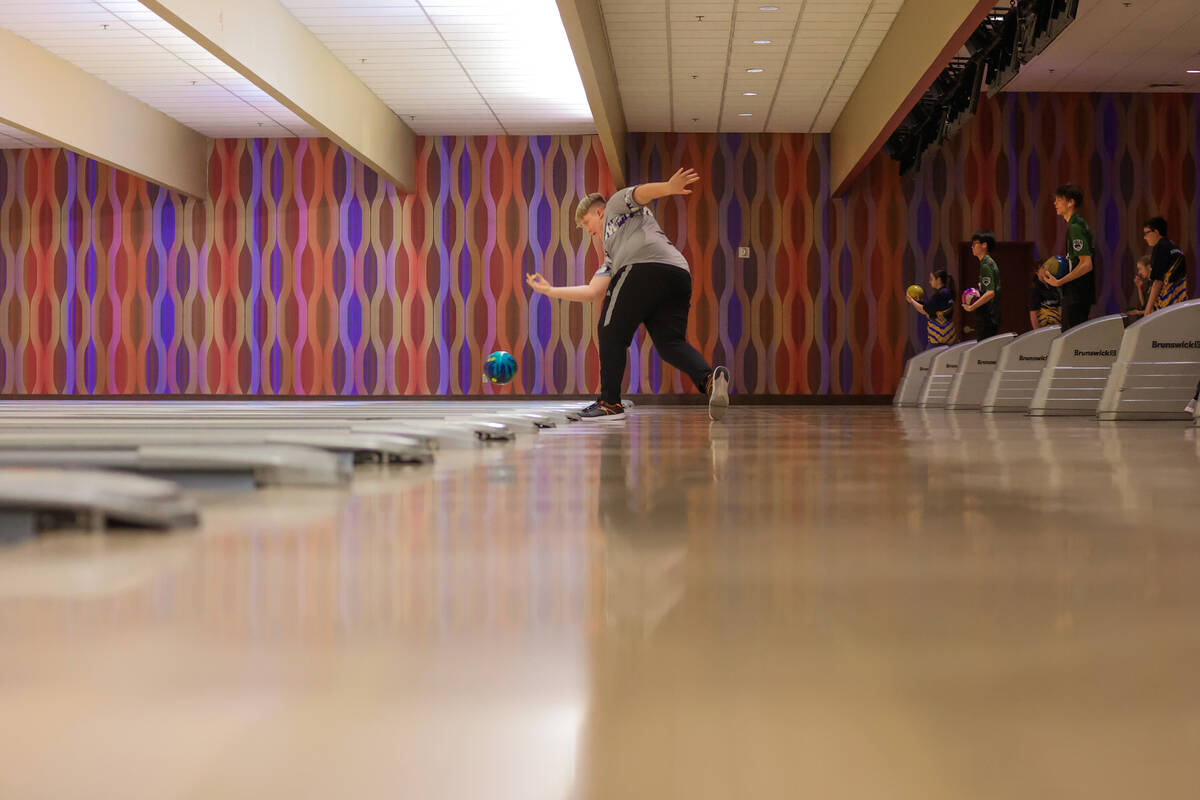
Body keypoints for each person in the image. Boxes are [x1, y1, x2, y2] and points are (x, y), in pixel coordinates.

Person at [526, 168, 730, 423]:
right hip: (678, 274)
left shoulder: (613, 206)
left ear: (598, 212)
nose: (591, 234)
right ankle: (709, 380)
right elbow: (593, 292)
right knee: (669, 343)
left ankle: (610, 403)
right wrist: (549, 290)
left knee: (610, 330)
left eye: (588, 226)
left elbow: (640, 193)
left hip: (643, 266)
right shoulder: (612, 254)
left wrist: (668, 186)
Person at [1040, 184, 1095, 331]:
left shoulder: (1075, 227)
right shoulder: (1076, 224)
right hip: (1077, 293)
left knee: (1071, 342)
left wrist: (1060, 281)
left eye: (1059, 200)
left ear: (1070, 202)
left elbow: (1086, 264)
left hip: (1076, 294)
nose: (1055, 203)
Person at [1141, 216, 1188, 313]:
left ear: (1156, 232)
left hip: (1166, 306)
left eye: (1146, 233)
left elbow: (1157, 282)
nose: (1144, 237)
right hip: (1181, 303)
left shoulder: (1159, 247)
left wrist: (1147, 310)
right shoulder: (1177, 248)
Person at [962, 231, 1002, 340]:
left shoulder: (986, 264)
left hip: (988, 316)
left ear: (984, 245)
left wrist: (971, 307)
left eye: (974, 244)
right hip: (991, 315)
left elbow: (990, 293)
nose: (972, 247)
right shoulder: (988, 263)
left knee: (985, 353)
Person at [905, 269, 957, 347]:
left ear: (938, 280)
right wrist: (918, 302)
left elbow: (924, 310)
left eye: (932, 279)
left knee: (928, 358)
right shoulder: (946, 292)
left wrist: (912, 301)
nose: (930, 282)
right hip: (947, 334)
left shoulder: (940, 294)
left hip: (939, 336)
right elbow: (930, 308)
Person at [1028, 259, 1062, 329]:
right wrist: (1037, 332)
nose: (1046, 269)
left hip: (1057, 325)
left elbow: (1059, 306)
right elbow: (1033, 313)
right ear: (1037, 272)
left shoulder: (1053, 285)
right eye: (1043, 267)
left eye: (1047, 267)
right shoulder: (1035, 289)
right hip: (1044, 327)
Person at [1125, 255, 1152, 323]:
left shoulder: (1156, 284)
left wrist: (1138, 312)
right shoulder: (1149, 283)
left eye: (1140, 269)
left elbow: (1156, 309)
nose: (1139, 272)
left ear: (1148, 267)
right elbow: (1144, 304)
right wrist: (1139, 287)